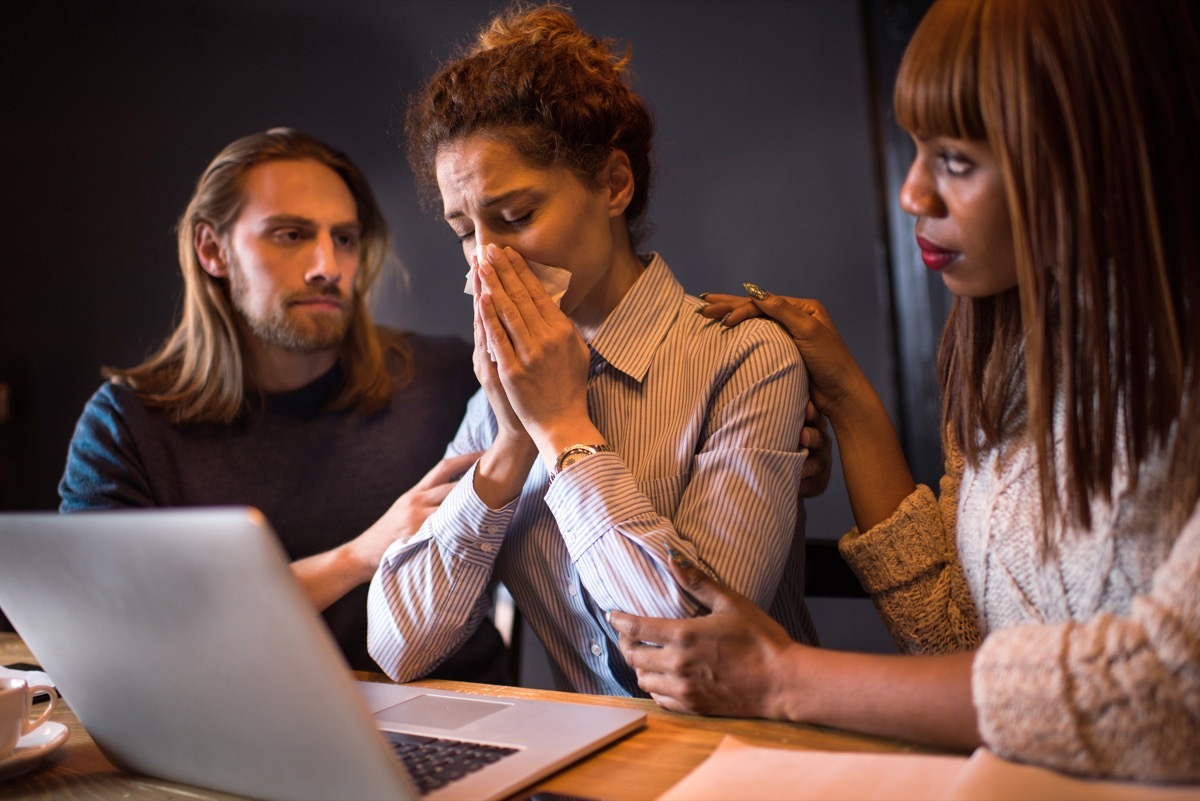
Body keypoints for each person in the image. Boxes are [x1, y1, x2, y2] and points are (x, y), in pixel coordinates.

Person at [610, 0, 1200, 783]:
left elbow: (1170, 694)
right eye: (916, 150)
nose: (912, 193)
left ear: (1098, 155)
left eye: (957, 160)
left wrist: (782, 676)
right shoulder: (1010, 350)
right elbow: (957, 640)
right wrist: (849, 397)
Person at [367, 3, 820, 697]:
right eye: (465, 230)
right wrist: (511, 440)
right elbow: (400, 644)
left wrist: (562, 429)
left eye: (515, 217)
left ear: (613, 184)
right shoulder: (501, 391)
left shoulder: (747, 360)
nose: (485, 261)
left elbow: (693, 645)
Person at [59, 127, 508, 682]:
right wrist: (359, 557)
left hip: (455, 725)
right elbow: (103, 631)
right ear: (212, 250)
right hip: (233, 729)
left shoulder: (447, 378)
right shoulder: (127, 426)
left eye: (344, 238)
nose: (327, 264)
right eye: (291, 235)